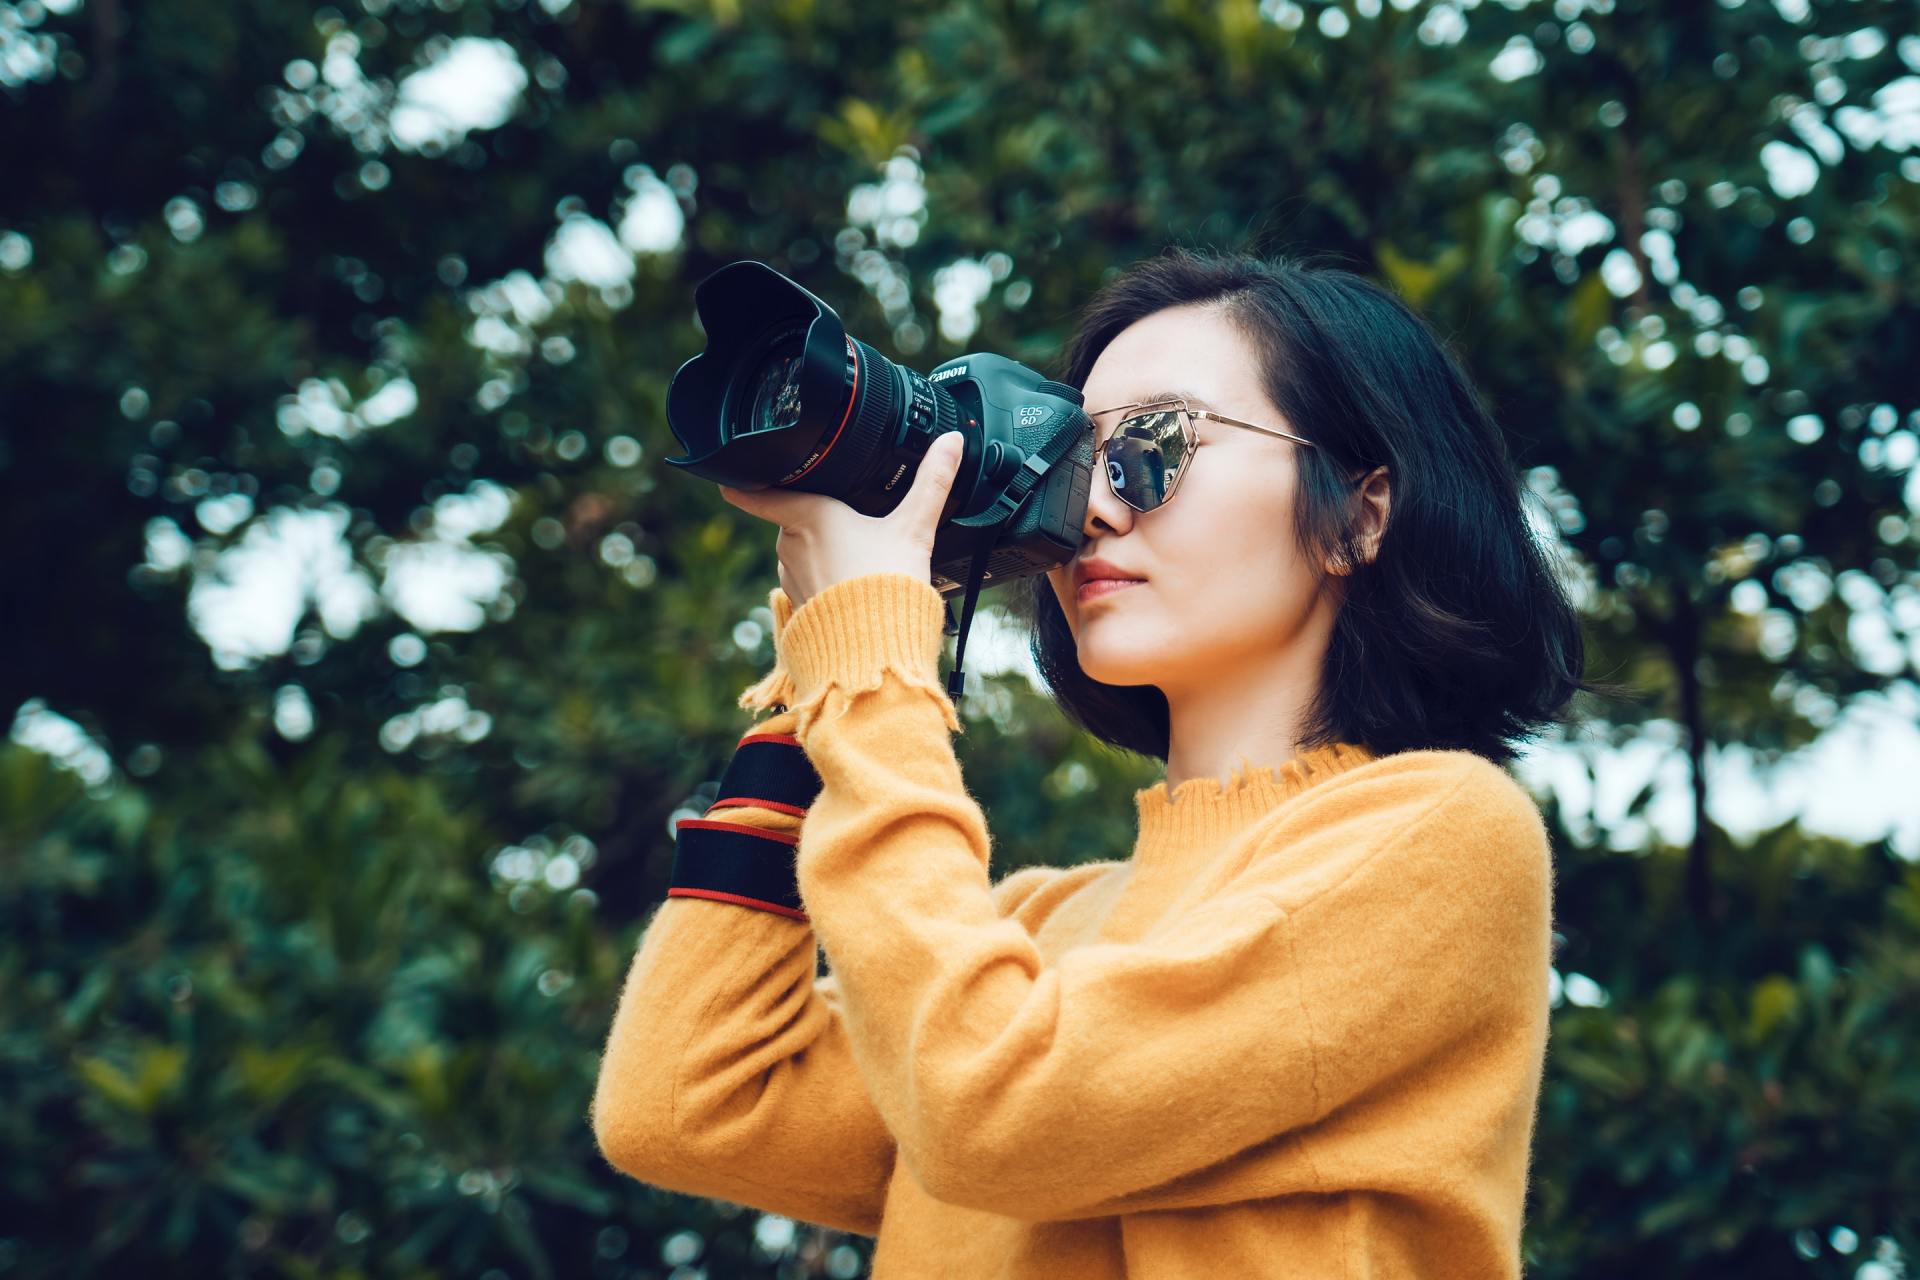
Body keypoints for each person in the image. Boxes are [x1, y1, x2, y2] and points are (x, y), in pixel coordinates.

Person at [591, 246, 1614, 1278]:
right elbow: (689, 1101)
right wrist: (824, 675)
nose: (1094, 509)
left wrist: (873, 679)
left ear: (1359, 514)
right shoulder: (1027, 933)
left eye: (1157, 445)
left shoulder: (1443, 836)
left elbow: (990, 1109)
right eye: (1077, 458)